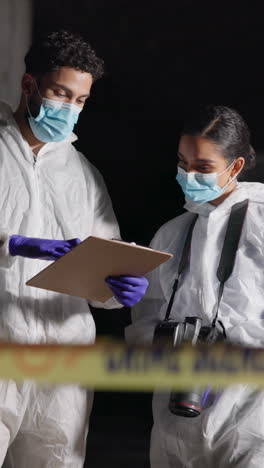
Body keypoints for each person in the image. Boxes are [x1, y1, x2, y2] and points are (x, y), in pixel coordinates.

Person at [0, 30, 148, 467]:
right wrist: (21, 244)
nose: (69, 108)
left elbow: (106, 251)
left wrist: (121, 285)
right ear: (29, 85)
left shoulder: (83, 174)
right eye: (60, 93)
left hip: (63, 355)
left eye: (80, 100)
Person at [125, 105, 264, 468]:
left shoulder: (261, 222)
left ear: (235, 167)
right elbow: (147, 318)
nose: (189, 175)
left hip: (251, 409)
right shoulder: (172, 233)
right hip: (177, 413)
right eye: (183, 163)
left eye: (202, 167)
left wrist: (231, 338)